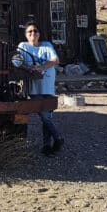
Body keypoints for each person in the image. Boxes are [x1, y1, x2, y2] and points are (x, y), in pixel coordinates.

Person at [17, 20, 64, 155]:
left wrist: (40, 67)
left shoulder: (46, 46)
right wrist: (28, 68)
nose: (33, 33)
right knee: (44, 115)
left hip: (48, 86)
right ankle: (58, 138)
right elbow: (17, 61)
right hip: (34, 87)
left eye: (35, 31)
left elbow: (55, 60)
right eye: (30, 31)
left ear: (39, 33)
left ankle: (46, 146)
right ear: (26, 35)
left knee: (47, 116)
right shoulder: (23, 47)